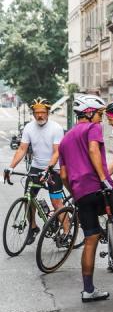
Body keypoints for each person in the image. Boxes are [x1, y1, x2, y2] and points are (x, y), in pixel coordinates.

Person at [58, 95, 113, 302]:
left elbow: (63, 175)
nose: (101, 118)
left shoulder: (65, 139)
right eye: (99, 114)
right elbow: (93, 150)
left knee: (91, 239)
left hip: (80, 192)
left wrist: (75, 191)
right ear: (89, 113)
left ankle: (88, 290)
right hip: (100, 186)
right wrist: (103, 178)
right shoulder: (92, 128)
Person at [4, 98, 65, 244]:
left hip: (54, 167)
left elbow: (57, 152)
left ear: (48, 113)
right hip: (36, 166)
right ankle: (33, 227)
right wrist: (11, 167)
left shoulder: (56, 128)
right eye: (36, 113)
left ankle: (67, 231)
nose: (40, 115)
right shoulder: (29, 128)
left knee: (57, 203)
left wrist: (49, 168)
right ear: (33, 113)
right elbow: (22, 149)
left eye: (43, 112)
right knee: (28, 198)